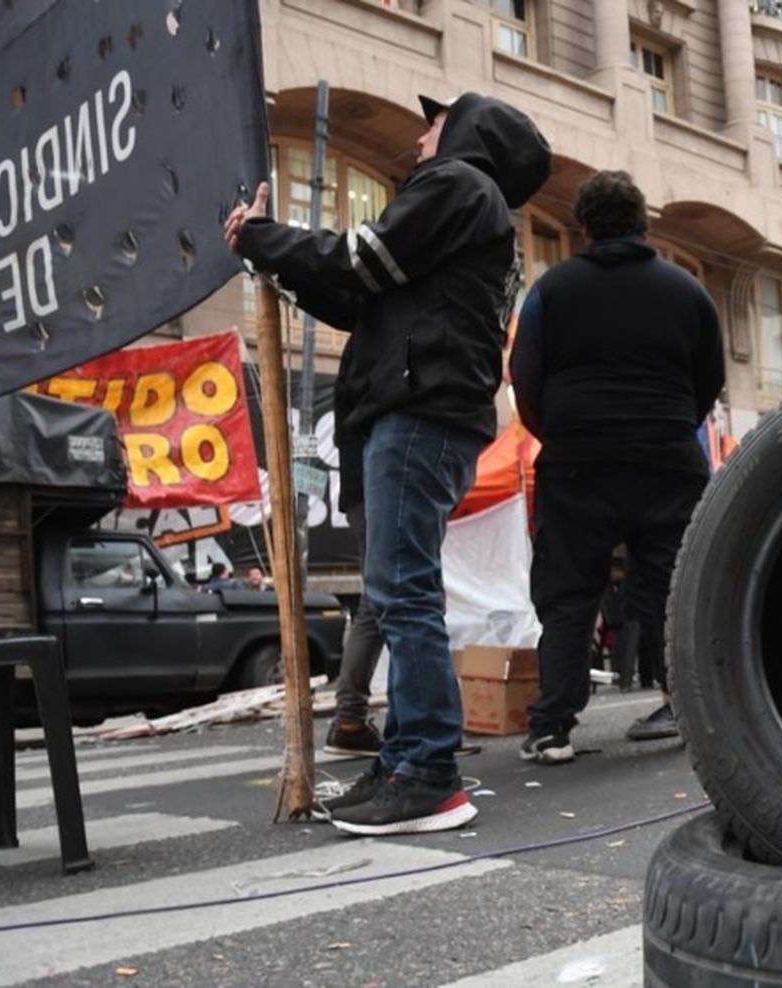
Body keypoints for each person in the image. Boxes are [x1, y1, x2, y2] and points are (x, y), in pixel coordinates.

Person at [227, 92, 551, 834]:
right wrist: (273, 255)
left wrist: (265, 238)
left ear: (470, 132)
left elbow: (356, 259)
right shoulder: (471, 206)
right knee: (399, 590)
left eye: (433, 123)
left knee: (403, 594)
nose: (416, 136)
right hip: (419, 409)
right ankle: (407, 758)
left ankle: (429, 771)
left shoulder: (457, 187)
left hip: (419, 410)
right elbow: (360, 296)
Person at [511, 170, 724, 763]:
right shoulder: (687, 291)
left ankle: (553, 726)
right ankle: (684, 704)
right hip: (667, 459)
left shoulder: (551, 290)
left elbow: (524, 378)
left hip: (578, 461)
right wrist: (674, 423)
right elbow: (710, 380)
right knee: (672, 587)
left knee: (569, 593)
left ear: (583, 226)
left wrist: (560, 432)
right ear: (643, 222)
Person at [323, 435, 387, 758]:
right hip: (378, 484)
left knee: (380, 601)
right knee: (398, 597)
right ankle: (422, 725)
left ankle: (350, 718)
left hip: (365, 486)